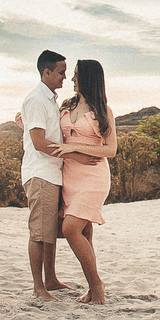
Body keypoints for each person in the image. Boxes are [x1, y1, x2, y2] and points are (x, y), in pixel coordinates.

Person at [51, 59, 117, 305]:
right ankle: (92, 288)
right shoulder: (68, 105)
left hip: (93, 176)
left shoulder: (103, 110)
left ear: (89, 78)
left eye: (77, 75)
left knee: (70, 229)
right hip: (70, 176)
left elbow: (111, 150)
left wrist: (75, 147)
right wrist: (25, 122)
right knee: (85, 233)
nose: (72, 79)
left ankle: (97, 286)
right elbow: (51, 132)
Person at [19, 49, 73, 301]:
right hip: (40, 174)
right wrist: (72, 153)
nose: (64, 77)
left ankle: (51, 279)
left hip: (53, 174)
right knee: (39, 233)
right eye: (61, 72)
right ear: (47, 72)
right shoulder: (37, 100)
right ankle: (38, 287)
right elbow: (39, 142)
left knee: (50, 230)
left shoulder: (49, 99)